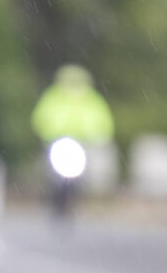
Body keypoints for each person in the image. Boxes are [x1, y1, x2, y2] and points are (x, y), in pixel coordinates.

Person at [29, 63, 114, 225]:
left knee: (79, 176)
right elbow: (40, 117)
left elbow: (103, 121)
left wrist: (98, 136)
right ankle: (54, 200)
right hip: (57, 142)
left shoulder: (92, 99)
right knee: (52, 174)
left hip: (80, 143)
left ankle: (71, 201)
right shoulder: (53, 96)